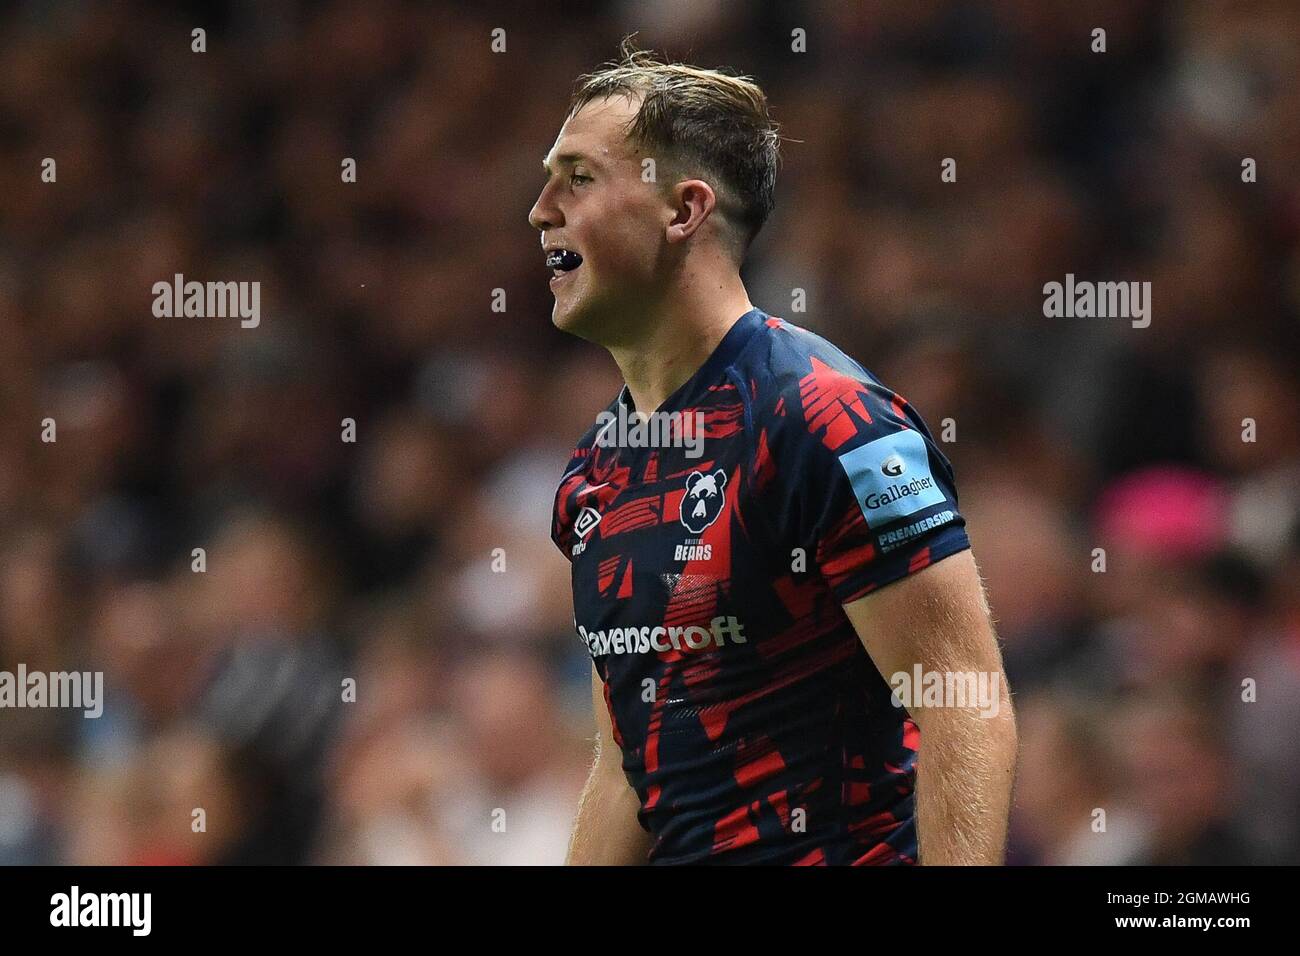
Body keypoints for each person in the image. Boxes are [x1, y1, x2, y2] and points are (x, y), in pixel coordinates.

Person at [529, 39, 1017, 865]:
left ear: (683, 212)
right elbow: (621, 773)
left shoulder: (826, 420)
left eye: (578, 178)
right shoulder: (594, 474)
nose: (540, 209)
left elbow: (964, 702)